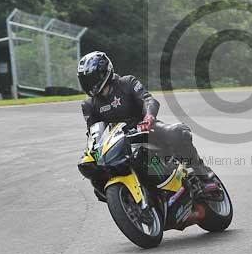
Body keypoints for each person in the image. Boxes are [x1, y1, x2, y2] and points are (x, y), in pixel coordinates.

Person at [76, 51, 212, 200]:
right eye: (85, 80)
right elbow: (94, 131)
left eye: (92, 78)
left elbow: (148, 100)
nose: (89, 84)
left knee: (178, 132)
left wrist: (148, 118)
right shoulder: (89, 105)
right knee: (92, 170)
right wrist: (92, 151)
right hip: (117, 143)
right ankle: (129, 202)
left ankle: (203, 175)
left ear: (104, 72)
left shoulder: (127, 83)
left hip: (144, 129)